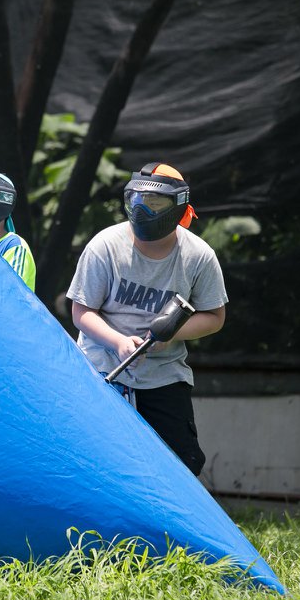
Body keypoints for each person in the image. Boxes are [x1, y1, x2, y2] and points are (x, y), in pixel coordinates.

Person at [66, 162, 227, 476]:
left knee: (184, 464)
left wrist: (168, 334)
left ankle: (164, 526)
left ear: (179, 210)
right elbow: (81, 311)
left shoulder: (198, 256)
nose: (142, 211)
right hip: (101, 368)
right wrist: (119, 342)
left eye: (154, 204)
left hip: (163, 374)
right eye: (136, 201)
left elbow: (214, 317)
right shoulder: (104, 246)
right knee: (94, 463)